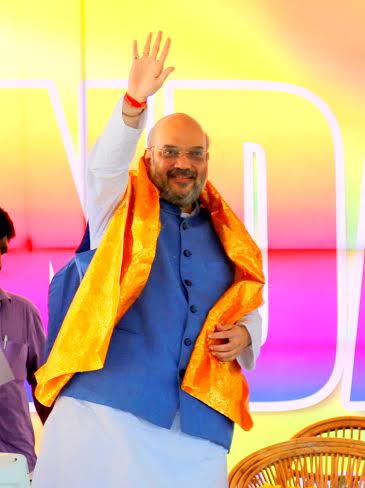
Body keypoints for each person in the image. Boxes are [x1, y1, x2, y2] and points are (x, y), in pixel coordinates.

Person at [32, 32, 265, 488]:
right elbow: (104, 168)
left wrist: (245, 336)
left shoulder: (229, 235)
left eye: (195, 154)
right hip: (104, 419)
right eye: (170, 152)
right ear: (149, 156)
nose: (184, 163)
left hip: (195, 431)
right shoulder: (117, 210)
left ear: (207, 160)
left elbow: (249, 310)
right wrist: (133, 103)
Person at [0, 207, 50, 477]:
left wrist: (58, 449)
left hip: (16, 469)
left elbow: (43, 385)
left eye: (1, 251)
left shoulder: (23, 312)